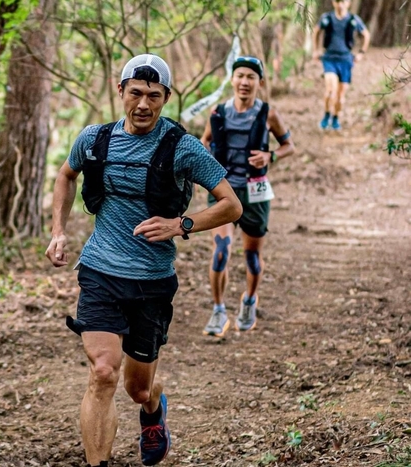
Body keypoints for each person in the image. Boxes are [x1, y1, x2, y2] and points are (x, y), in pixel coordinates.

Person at [45, 54, 242, 467]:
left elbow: (231, 206)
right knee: (102, 372)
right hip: (100, 270)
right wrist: (58, 231)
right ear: (120, 91)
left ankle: (152, 410)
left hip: (152, 280)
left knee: (138, 389)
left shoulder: (183, 148)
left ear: (166, 98)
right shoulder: (94, 139)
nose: (143, 104)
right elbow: (66, 175)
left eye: (154, 96)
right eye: (135, 93)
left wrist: (180, 224)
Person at [200, 56, 295, 338]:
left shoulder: (268, 114)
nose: (244, 82)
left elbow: (289, 145)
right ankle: (218, 310)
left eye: (251, 77)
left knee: (252, 256)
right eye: (240, 75)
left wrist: (271, 155)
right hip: (222, 191)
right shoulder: (217, 112)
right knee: (221, 252)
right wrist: (204, 163)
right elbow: (206, 140)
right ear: (232, 80)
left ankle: (249, 301)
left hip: (255, 193)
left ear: (260, 82)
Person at [312, 0, 370, 131]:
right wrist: (315, 50)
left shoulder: (353, 19)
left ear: (348, 3)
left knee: (340, 96)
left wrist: (361, 53)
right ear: (333, 3)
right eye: (338, 1)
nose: (340, 4)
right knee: (330, 90)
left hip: (345, 60)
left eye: (343, 1)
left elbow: (366, 34)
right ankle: (326, 115)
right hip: (329, 59)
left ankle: (336, 118)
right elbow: (316, 31)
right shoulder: (326, 18)